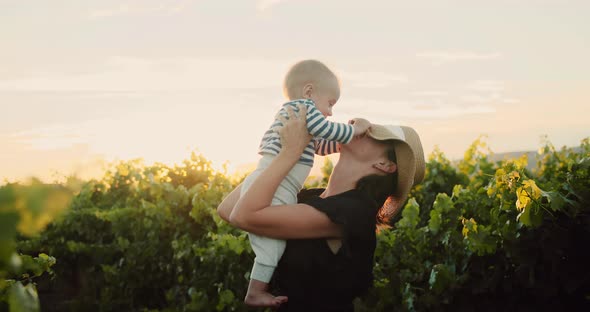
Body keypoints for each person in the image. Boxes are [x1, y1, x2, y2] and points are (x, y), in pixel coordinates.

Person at [217, 104, 426, 310]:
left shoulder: (354, 213)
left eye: (374, 135)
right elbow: (228, 209)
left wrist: (290, 153)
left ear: (385, 165)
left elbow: (243, 216)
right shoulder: (312, 197)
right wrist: (276, 154)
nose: (362, 128)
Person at [234, 59, 371, 306]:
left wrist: (341, 144)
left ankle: (256, 289)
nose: (330, 112)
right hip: (278, 185)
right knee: (271, 247)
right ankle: (254, 292)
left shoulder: (302, 118)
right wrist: (354, 131)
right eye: (330, 103)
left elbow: (320, 145)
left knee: (271, 241)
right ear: (309, 92)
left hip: (277, 183)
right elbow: (326, 129)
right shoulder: (303, 109)